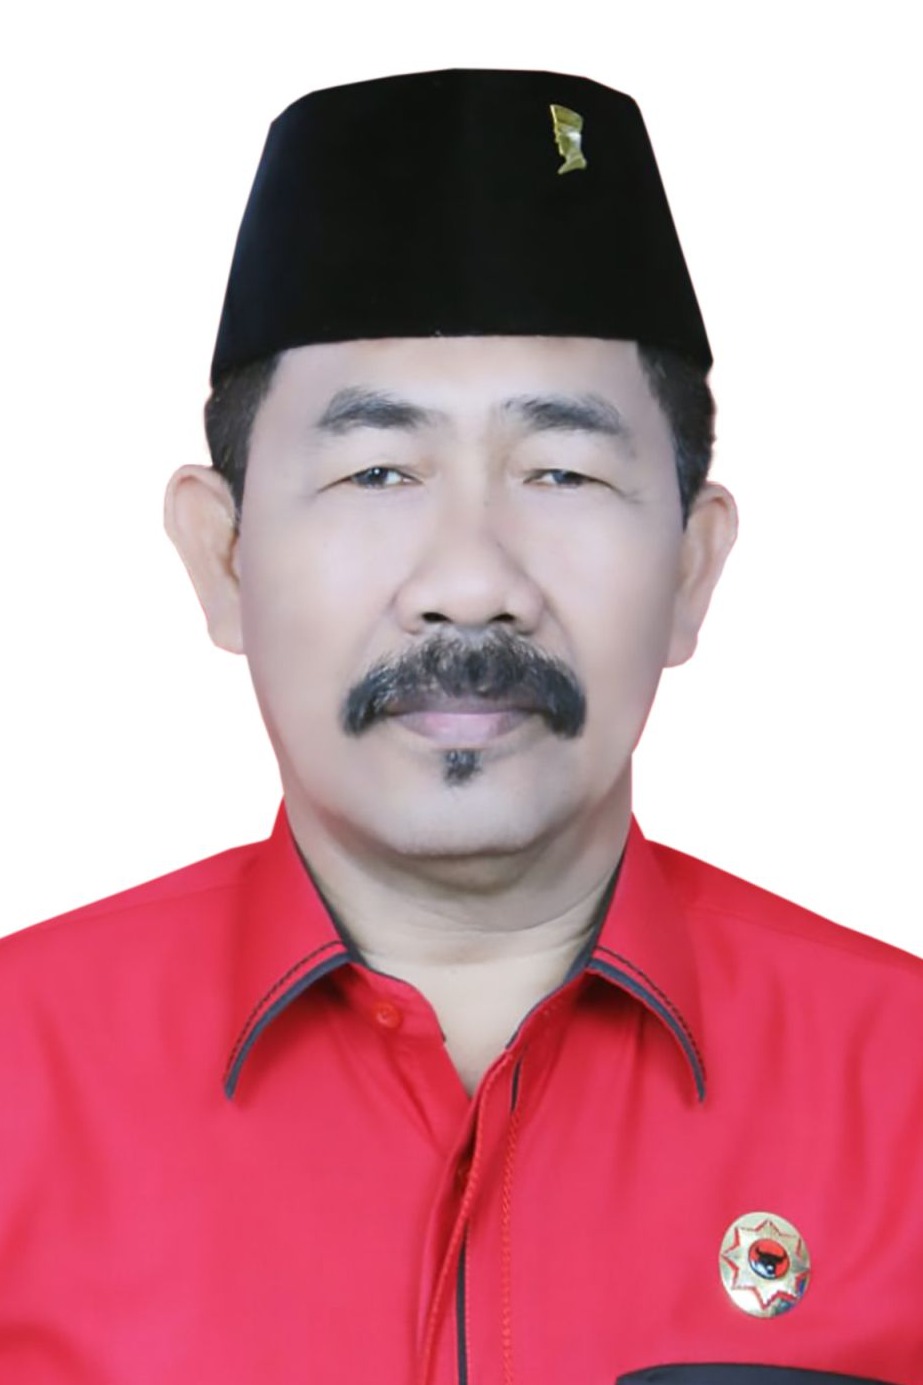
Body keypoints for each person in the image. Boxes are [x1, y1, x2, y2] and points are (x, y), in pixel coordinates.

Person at [1, 67, 921, 1385]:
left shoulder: (903, 1092)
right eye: (378, 471)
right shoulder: (19, 1078)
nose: (473, 581)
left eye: (564, 471)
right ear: (223, 556)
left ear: (692, 567)